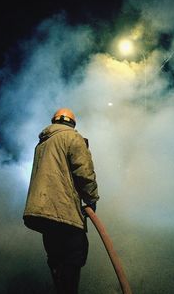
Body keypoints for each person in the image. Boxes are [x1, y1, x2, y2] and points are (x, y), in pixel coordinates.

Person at [23, 108, 99, 294]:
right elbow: (84, 173)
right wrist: (91, 199)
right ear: (72, 123)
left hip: (42, 213)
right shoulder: (72, 138)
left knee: (56, 259)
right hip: (65, 212)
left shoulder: (42, 144)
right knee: (74, 257)